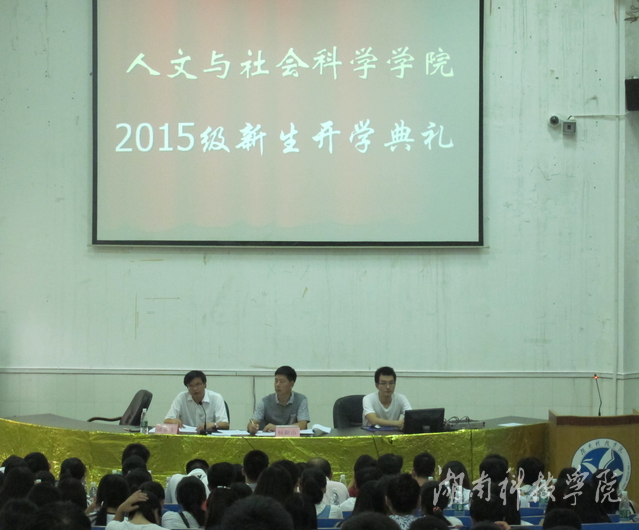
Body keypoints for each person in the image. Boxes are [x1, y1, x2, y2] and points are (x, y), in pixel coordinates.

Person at [247, 366, 309, 434]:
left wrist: (278, 428)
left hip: (292, 439)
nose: (277, 385)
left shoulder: (301, 400)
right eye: (276, 381)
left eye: (282, 382)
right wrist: (251, 427)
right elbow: (252, 423)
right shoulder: (265, 401)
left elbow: (303, 425)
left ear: (291, 384)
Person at [164, 370, 229, 431]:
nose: (195, 389)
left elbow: (225, 424)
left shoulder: (216, 398)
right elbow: (167, 420)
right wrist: (174, 421)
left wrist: (214, 424)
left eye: (198, 384)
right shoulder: (181, 397)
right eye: (190, 386)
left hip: (209, 436)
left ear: (205, 384)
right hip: (187, 436)